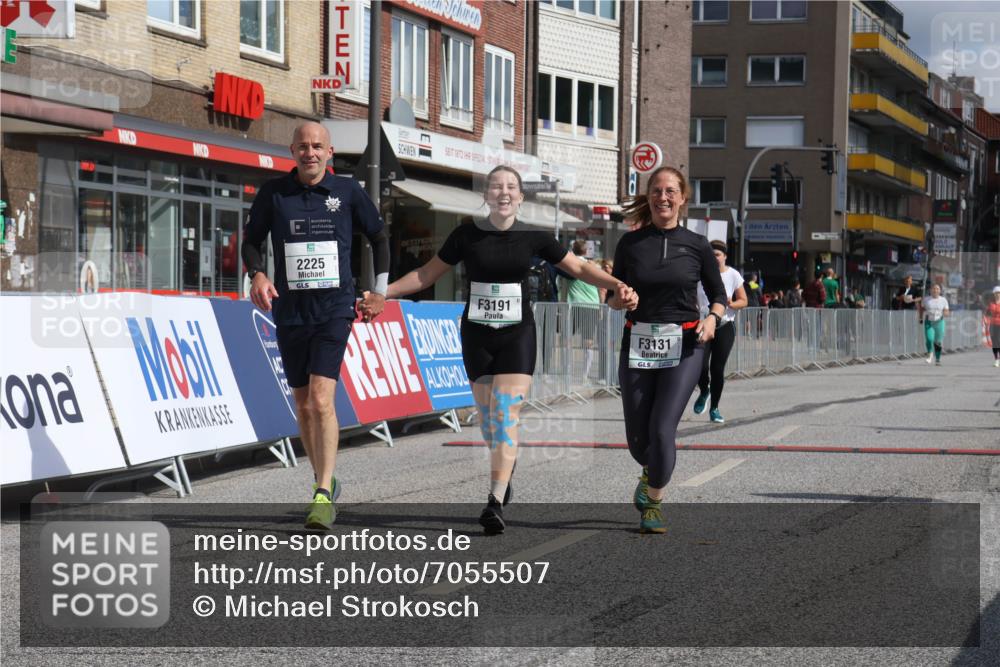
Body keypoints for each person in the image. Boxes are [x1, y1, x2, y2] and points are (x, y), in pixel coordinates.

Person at [365, 165, 636, 535]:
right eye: (496, 187)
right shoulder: (465, 235)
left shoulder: (534, 237)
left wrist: (617, 283)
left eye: (511, 187)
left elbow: (578, 267)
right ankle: (506, 468)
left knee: (506, 412)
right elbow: (425, 276)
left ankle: (494, 501)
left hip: (517, 335)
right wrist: (383, 293)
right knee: (490, 421)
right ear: (486, 195)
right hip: (477, 336)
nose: (503, 192)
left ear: (521, 197)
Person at [242, 121, 390, 531]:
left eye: (317, 146)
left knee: (322, 400)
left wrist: (379, 291)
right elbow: (251, 241)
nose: (310, 152)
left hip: (335, 309)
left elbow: (378, 237)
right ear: (292, 151)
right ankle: (323, 475)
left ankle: (322, 494)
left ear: (329, 153)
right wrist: (257, 273)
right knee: (303, 405)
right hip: (290, 310)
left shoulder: (347, 192)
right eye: (303, 146)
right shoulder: (274, 193)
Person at [613, 166, 727, 534]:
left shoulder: (696, 245)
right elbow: (613, 297)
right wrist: (622, 299)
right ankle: (650, 471)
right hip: (639, 344)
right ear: (649, 197)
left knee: (663, 429)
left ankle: (654, 502)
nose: (663, 197)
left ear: (682, 197)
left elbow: (719, 296)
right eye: (657, 191)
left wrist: (713, 319)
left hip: (686, 345)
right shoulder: (630, 244)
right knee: (638, 440)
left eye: (670, 191)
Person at [693, 240, 748, 425]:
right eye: (711, 254)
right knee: (699, 366)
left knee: (717, 369)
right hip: (702, 324)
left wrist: (731, 303)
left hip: (724, 325)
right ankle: (704, 391)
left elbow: (744, 300)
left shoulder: (733, 275)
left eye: (717, 254)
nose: (714, 258)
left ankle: (714, 408)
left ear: (724, 256)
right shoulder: (700, 274)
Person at [566, 239, 601, 379]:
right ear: (586, 251)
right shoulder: (593, 266)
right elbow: (601, 286)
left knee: (567, 339)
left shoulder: (569, 265)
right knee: (588, 342)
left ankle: (567, 372)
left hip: (574, 305)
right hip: (592, 306)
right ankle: (584, 375)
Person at [919, 283, 949, 365]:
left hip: (939, 322)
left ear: (940, 291)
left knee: (937, 341)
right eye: (934, 288)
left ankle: (938, 359)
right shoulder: (926, 299)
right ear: (931, 290)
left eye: (937, 289)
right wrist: (920, 318)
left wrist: (946, 313)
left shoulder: (943, 300)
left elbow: (946, 310)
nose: (935, 290)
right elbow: (921, 309)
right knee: (929, 339)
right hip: (929, 321)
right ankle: (929, 354)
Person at [988, 287, 1000, 367]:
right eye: (996, 293)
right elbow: (987, 313)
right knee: (995, 343)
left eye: (999, 293)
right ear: (994, 294)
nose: (998, 294)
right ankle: (996, 360)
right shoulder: (991, 303)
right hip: (993, 325)